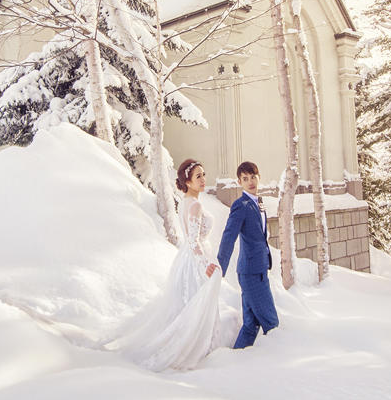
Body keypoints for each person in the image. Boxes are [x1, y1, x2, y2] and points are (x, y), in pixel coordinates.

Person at [106, 159, 223, 371]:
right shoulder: (195, 205)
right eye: (198, 176)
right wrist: (205, 264)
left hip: (186, 259)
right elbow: (193, 241)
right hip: (195, 260)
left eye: (204, 174)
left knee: (185, 306)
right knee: (196, 307)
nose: (203, 179)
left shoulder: (186, 201)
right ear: (187, 181)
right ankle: (196, 348)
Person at [217, 161, 280, 349]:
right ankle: (282, 365)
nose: (250, 182)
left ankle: (236, 361)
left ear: (259, 177)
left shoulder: (258, 202)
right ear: (239, 182)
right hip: (251, 273)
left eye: (253, 177)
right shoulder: (241, 205)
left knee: (250, 325)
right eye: (245, 179)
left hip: (259, 268)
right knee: (272, 323)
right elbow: (229, 236)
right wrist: (220, 266)